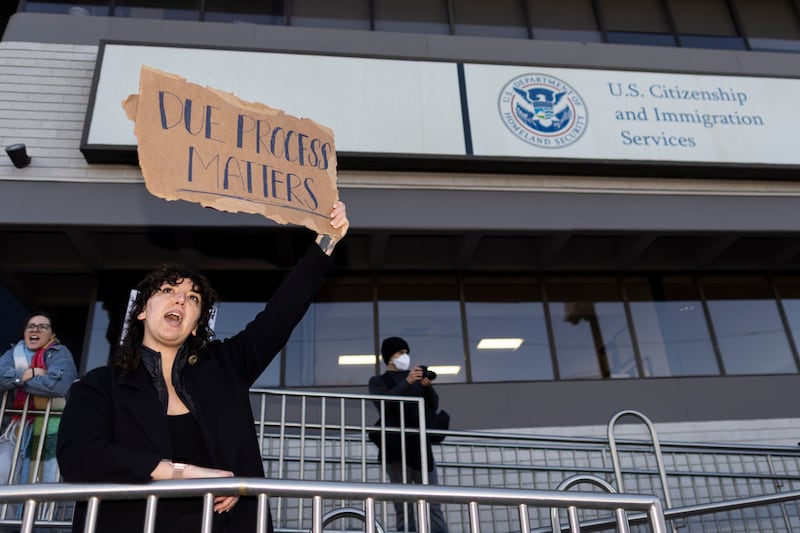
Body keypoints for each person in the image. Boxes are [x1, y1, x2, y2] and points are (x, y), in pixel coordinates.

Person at [56, 202, 348, 533]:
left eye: (193, 298)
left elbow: (280, 315)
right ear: (141, 311)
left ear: (196, 325)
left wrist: (326, 241)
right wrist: (183, 473)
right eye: (168, 291)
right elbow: (78, 456)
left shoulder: (225, 367)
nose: (181, 299)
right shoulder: (99, 386)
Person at [368, 336, 449, 533]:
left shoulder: (416, 380)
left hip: (421, 449)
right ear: (389, 357)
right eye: (400, 353)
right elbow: (383, 403)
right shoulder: (379, 381)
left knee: (433, 502)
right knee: (404, 505)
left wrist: (427, 387)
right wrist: (407, 382)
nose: (405, 356)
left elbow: (433, 406)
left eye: (406, 352)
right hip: (396, 450)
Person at [0, 311, 78, 485]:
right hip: (15, 428)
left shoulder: (60, 353)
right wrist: (30, 373)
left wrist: (15, 381)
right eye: (31, 326)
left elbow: (56, 386)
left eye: (42, 327)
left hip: (50, 428)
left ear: (52, 334)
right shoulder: (13, 353)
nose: (35, 330)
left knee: (43, 481)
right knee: (3, 473)